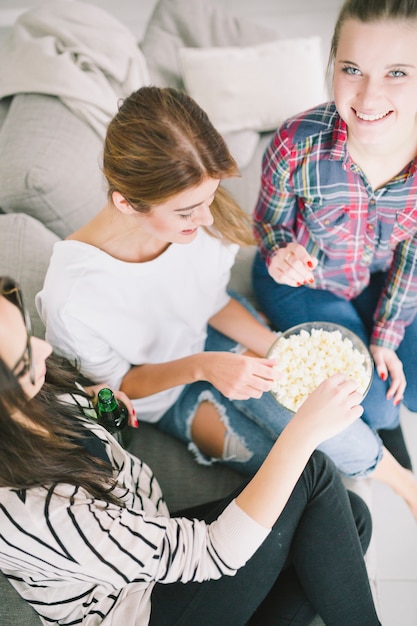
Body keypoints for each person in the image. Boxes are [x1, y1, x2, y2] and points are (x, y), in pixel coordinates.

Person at [36, 85, 417, 520]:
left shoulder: (196, 217)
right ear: (127, 203)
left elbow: (210, 303)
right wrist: (204, 366)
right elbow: (118, 391)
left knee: (318, 411)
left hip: (217, 333)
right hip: (167, 395)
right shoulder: (75, 298)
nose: (206, 219)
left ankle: (406, 486)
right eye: (187, 212)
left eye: (209, 200)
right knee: (302, 466)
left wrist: (282, 347)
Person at [0, 275, 381, 625]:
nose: (44, 348)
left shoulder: (26, 399)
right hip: (134, 606)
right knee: (311, 473)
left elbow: (78, 414)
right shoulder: (35, 513)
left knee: (354, 516)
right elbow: (214, 552)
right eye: (24, 361)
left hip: (147, 532)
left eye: (27, 331)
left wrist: (96, 402)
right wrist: (303, 432)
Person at [252, 0, 417, 499]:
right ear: (332, 64)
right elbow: (269, 224)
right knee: (379, 404)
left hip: (384, 281)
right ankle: (392, 470)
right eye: (352, 69)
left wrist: (386, 335)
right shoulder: (295, 144)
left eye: (397, 73)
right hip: (308, 283)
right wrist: (280, 251)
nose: (368, 96)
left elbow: (412, 257)